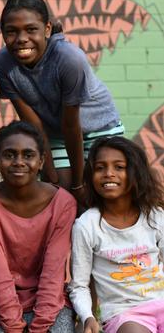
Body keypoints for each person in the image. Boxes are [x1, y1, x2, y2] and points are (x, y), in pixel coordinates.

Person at [0, 0, 123, 200]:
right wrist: (51, 174)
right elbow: (32, 122)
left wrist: (78, 183)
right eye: (11, 32)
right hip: (55, 134)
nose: (21, 39)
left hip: (99, 128)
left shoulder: (69, 59)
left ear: (46, 29)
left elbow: (72, 125)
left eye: (31, 30)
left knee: (100, 193)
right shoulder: (2, 62)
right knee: (60, 195)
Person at [0, 121, 77, 333]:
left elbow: (53, 271)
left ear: (41, 161)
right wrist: (14, 327)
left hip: (50, 301)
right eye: (9, 155)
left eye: (28, 155)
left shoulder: (63, 203)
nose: (19, 162)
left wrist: (39, 327)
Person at [69, 136, 164, 333]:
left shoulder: (155, 216)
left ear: (135, 173)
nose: (109, 174)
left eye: (119, 167)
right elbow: (79, 285)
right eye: (100, 167)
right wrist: (88, 317)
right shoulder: (87, 225)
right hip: (125, 314)